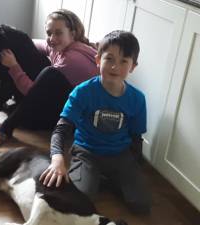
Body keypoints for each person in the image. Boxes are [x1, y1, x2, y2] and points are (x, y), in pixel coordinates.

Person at [39, 30, 151, 214]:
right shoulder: (82, 92)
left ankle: (103, 179)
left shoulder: (137, 99)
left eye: (123, 61)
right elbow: (61, 129)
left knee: (141, 206)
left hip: (120, 154)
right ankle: (95, 177)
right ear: (98, 60)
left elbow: (136, 137)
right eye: (110, 59)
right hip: (87, 151)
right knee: (80, 200)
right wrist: (57, 159)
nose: (115, 67)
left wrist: (134, 168)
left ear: (132, 66)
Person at [0, 9, 98, 148]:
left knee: (47, 74)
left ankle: (6, 129)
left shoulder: (71, 60)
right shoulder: (64, 45)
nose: (52, 38)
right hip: (69, 101)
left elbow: (32, 92)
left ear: (73, 33)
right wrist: (13, 39)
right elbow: (32, 43)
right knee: (32, 62)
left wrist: (13, 65)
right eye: (49, 33)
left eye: (58, 33)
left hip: (79, 119)